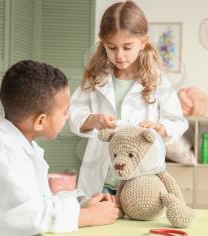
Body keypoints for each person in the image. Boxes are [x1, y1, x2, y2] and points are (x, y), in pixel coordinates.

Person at [0, 60, 119, 236]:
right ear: (40, 121)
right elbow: (28, 218)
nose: (68, 117)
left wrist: (81, 203)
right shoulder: (0, 151)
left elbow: (41, 200)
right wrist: (86, 216)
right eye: (64, 112)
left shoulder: (20, 145)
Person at [69, 1, 188, 197]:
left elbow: (177, 120)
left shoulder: (157, 79)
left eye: (127, 47)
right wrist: (92, 120)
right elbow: (74, 113)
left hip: (141, 175)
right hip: (102, 177)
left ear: (143, 42)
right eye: (112, 47)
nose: (119, 55)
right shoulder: (95, 76)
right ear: (102, 42)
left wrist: (161, 128)